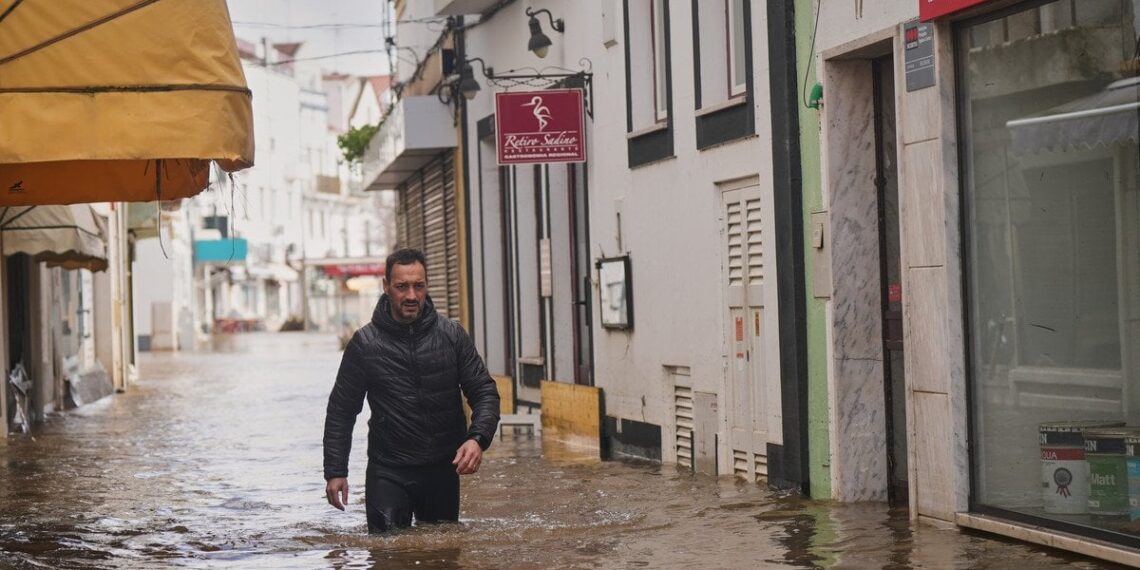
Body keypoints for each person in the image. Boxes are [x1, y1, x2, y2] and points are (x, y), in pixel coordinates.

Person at [323, 248, 500, 533]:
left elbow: (484, 392)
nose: (411, 296)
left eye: (418, 286)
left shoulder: (452, 335)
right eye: (402, 287)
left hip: (442, 470)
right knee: (388, 555)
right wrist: (335, 471)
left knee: (441, 557)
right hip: (388, 470)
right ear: (386, 287)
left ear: (427, 285)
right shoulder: (365, 344)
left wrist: (478, 438)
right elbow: (341, 412)